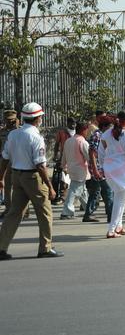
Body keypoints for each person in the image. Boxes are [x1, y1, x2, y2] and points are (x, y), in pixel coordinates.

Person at [0, 102, 63, 260]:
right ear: (38, 118)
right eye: (41, 117)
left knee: (13, 213)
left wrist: (1, 178)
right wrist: (50, 187)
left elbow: (5, 158)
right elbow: (40, 165)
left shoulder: (13, 134)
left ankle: (1, 247)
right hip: (33, 178)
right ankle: (45, 248)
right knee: (45, 213)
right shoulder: (36, 137)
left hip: (17, 176)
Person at [84, 115, 113, 224]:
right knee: (108, 192)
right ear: (105, 126)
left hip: (101, 168)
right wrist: (95, 170)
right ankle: (111, 217)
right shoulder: (98, 135)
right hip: (99, 169)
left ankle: (88, 214)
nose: (112, 128)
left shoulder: (104, 135)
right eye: (110, 126)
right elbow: (92, 152)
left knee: (95, 192)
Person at [60, 122, 91, 220]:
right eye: (87, 131)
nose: (88, 133)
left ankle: (89, 209)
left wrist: (63, 166)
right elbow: (89, 157)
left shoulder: (69, 141)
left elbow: (64, 155)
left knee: (82, 190)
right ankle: (66, 212)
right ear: (83, 130)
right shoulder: (82, 142)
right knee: (74, 190)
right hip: (80, 170)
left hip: (71, 168)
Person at [52, 116, 77, 204]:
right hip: (64, 158)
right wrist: (56, 155)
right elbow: (57, 144)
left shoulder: (78, 132)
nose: (73, 125)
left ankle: (74, 197)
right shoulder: (62, 133)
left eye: (75, 123)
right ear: (68, 123)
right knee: (64, 177)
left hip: (76, 158)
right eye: (72, 123)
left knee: (74, 177)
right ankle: (62, 196)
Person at [0, 110, 19, 218]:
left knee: (19, 186)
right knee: (6, 186)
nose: (10, 122)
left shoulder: (20, 131)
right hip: (5, 161)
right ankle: (8, 209)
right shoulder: (2, 131)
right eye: (8, 120)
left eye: (12, 120)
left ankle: (24, 210)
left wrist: (16, 127)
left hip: (18, 161)